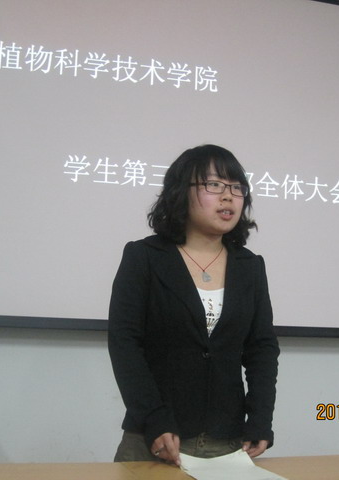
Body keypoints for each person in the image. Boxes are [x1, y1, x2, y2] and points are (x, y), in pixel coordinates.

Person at [108, 144, 279, 466]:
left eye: (237, 187)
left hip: (228, 439)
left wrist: (260, 418)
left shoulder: (250, 266)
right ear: (181, 191)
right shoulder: (144, 257)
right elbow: (124, 344)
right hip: (155, 438)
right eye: (214, 185)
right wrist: (154, 419)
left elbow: (262, 349)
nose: (228, 197)